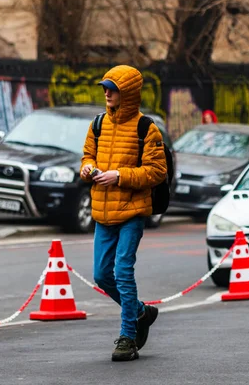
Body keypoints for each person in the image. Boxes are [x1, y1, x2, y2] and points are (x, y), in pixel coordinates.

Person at [80, 65, 168, 362]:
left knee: (122, 272)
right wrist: (87, 169)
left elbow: (157, 171)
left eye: (112, 89)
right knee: (102, 275)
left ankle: (127, 337)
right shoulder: (97, 124)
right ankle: (141, 312)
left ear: (127, 94)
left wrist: (119, 176)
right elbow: (87, 156)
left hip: (132, 212)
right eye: (105, 87)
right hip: (103, 212)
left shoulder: (147, 128)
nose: (106, 93)